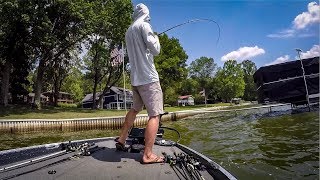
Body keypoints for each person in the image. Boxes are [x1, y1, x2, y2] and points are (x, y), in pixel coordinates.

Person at [116, 3, 164, 164]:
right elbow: (156, 49)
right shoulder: (145, 26)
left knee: (135, 109)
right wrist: (156, 38)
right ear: (146, 14)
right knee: (155, 115)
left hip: (135, 79)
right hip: (148, 78)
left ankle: (122, 139)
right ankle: (148, 154)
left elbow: (143, 50)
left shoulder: (128, 31)